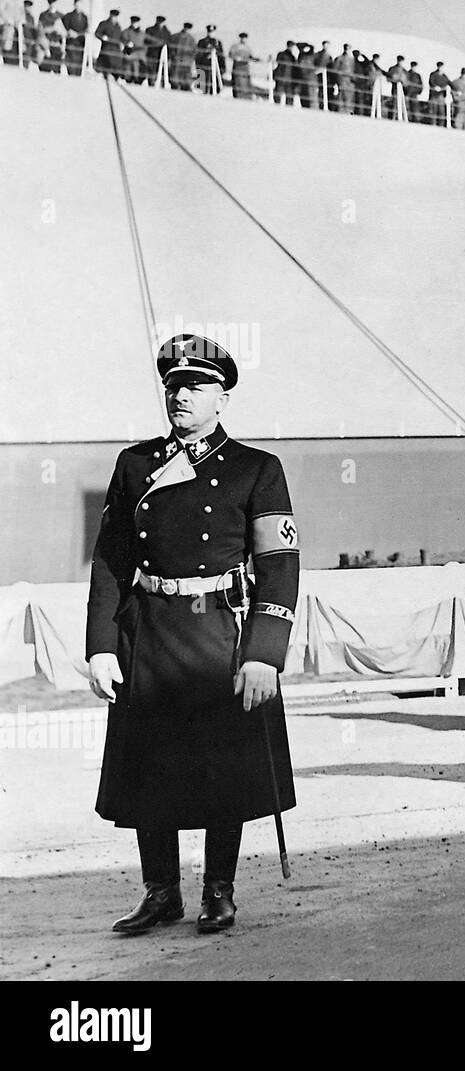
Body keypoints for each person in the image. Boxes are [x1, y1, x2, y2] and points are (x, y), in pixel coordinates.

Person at [88, 335, 299, 934]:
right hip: (149, 632)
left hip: (218, 635)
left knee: (219, 765)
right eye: (173, 386)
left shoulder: (257, 468)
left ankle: (218, 890)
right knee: (148, 765)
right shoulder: (136, 464)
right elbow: (110, 561)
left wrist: (264, 655)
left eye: (196, 387)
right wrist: (102, 646)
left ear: (222, 398)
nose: (180, 395)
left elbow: (279, 566)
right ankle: (161, 892)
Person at [62, 0, 89, 75]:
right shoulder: (68, 16)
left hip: (80, 43)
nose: (78, 7)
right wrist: (69, 32)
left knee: (79, 65)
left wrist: (79, 34)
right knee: (71, 65)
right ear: (74, 5)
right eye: (77, 5)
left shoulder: (84, 17)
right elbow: (65, 27)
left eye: (80, 5)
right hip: (71, 43)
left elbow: (86, 29)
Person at [37, 0, 64, 74]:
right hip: (46, 44)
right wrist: (48, 29)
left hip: (56, 44)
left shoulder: (60, 15)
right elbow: (40, 29)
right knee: (44, 68)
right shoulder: (43, 15)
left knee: (56, 69)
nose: (52, 5)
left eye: (53, 3)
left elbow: (63, 31)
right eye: (50, 3)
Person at [195, 25, 224, 94]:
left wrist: (222, 68)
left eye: (212, 32)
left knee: (214, 87)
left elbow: (221, 56)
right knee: (202, 87)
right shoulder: (202, 42)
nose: (211, 33)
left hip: (214, 68)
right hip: (204, 66)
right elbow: (198, 55)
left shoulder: (218, 43)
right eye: (210, 31)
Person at [143, 15, 171, 85]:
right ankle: (151, 82)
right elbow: (146, 40)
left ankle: (160, 83)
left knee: (161, 71)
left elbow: (168, 43)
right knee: (151, 70)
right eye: (159, 21)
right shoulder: (150, 30)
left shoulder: (167, 32)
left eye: (161, 21)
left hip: (163, 54)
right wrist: (158, 43)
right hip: (152, 53)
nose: (160, 23)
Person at [169, 22, 196, 91]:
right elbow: (171, 48)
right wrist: (174, 57)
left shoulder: (192, 39)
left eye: (189, 28)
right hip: (176, 62)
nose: (187, 30)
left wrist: (190, 60)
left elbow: (193, 52)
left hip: (186, 63)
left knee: (186, 80)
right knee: (175, 80)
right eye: (186, 28)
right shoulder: (175, 37)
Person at [229, 33, 256, 99]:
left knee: (246, 83)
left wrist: (255, 59)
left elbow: (250, 56)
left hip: (245, 68)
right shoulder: (235, 46)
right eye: (242, 38)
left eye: (245, 38)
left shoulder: (248, 47)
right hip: (238, 67)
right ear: (240, 38)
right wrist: (236, 57)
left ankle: (246, 97)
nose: (243, 39)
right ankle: (237, 96)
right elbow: (231, 55)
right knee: (237, 82)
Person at [120, 16, 145, 84]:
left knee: (138, 76)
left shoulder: (142, 33)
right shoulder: (126, 32)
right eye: (133, 22)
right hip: (130, 55)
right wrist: (128, 43)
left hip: (139, 57)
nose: (134, 24)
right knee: (128, 76)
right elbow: (123, 40)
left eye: (136, 22)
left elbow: (148, 41)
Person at [1, 0, 21, 65]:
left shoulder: (18, 0)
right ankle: (7, 59)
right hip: (7, 25)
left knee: (17, 44)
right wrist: (8, 20)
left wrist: (18, 21)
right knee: (7, 43)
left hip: (16, 26)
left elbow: (20, 12)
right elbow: (1, 11)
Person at [429, 61, 451, 126]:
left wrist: (457, 90)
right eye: (440, 67)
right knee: (433, 111)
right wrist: (435, 87)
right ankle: (433, 125)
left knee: (441, 112)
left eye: (442, 67)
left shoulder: (445, 76)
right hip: (434, 96)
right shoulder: (433, 74)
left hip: (441, 96)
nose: (441, 68)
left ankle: (441, 126)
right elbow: (431, 82)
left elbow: (450, 83)